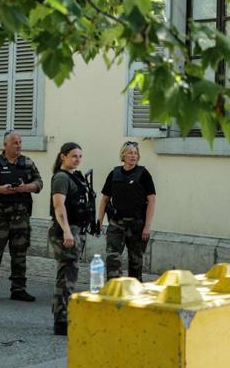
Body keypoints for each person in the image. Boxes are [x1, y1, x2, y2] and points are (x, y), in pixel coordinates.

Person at [0, 131, 43, 302]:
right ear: (5, 145)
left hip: (20, 218)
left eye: (20, 142)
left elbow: (39, 183)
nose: (18, 145)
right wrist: (0, 189)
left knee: (20, 255)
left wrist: (25, 188)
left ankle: (18, 289)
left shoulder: (27, 163)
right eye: (14, 143)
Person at [49, 142, 96, 335]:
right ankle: (61, 321)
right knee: (67, 277)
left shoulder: (75, 176)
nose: (77, 159)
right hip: (66, 231)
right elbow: (59, 207)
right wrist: (67, 231)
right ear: (63, 157)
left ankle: (61, 313)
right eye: (74, 156)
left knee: (68, 274)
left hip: (77, 229)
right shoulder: (61, 177)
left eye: (80, 156)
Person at [97, 140, 156, 280]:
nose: (133, 156)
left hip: (136, 224)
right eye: (130, 153)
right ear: (123, 155)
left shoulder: (143, 174)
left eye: (136, 153)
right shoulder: (114, 173)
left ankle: (134, 291)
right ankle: (113, 289)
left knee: (136, 261)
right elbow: (105, 199)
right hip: (116, 223)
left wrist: (147, 226)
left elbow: (152, 200)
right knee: (112, 258)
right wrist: (99, 221)